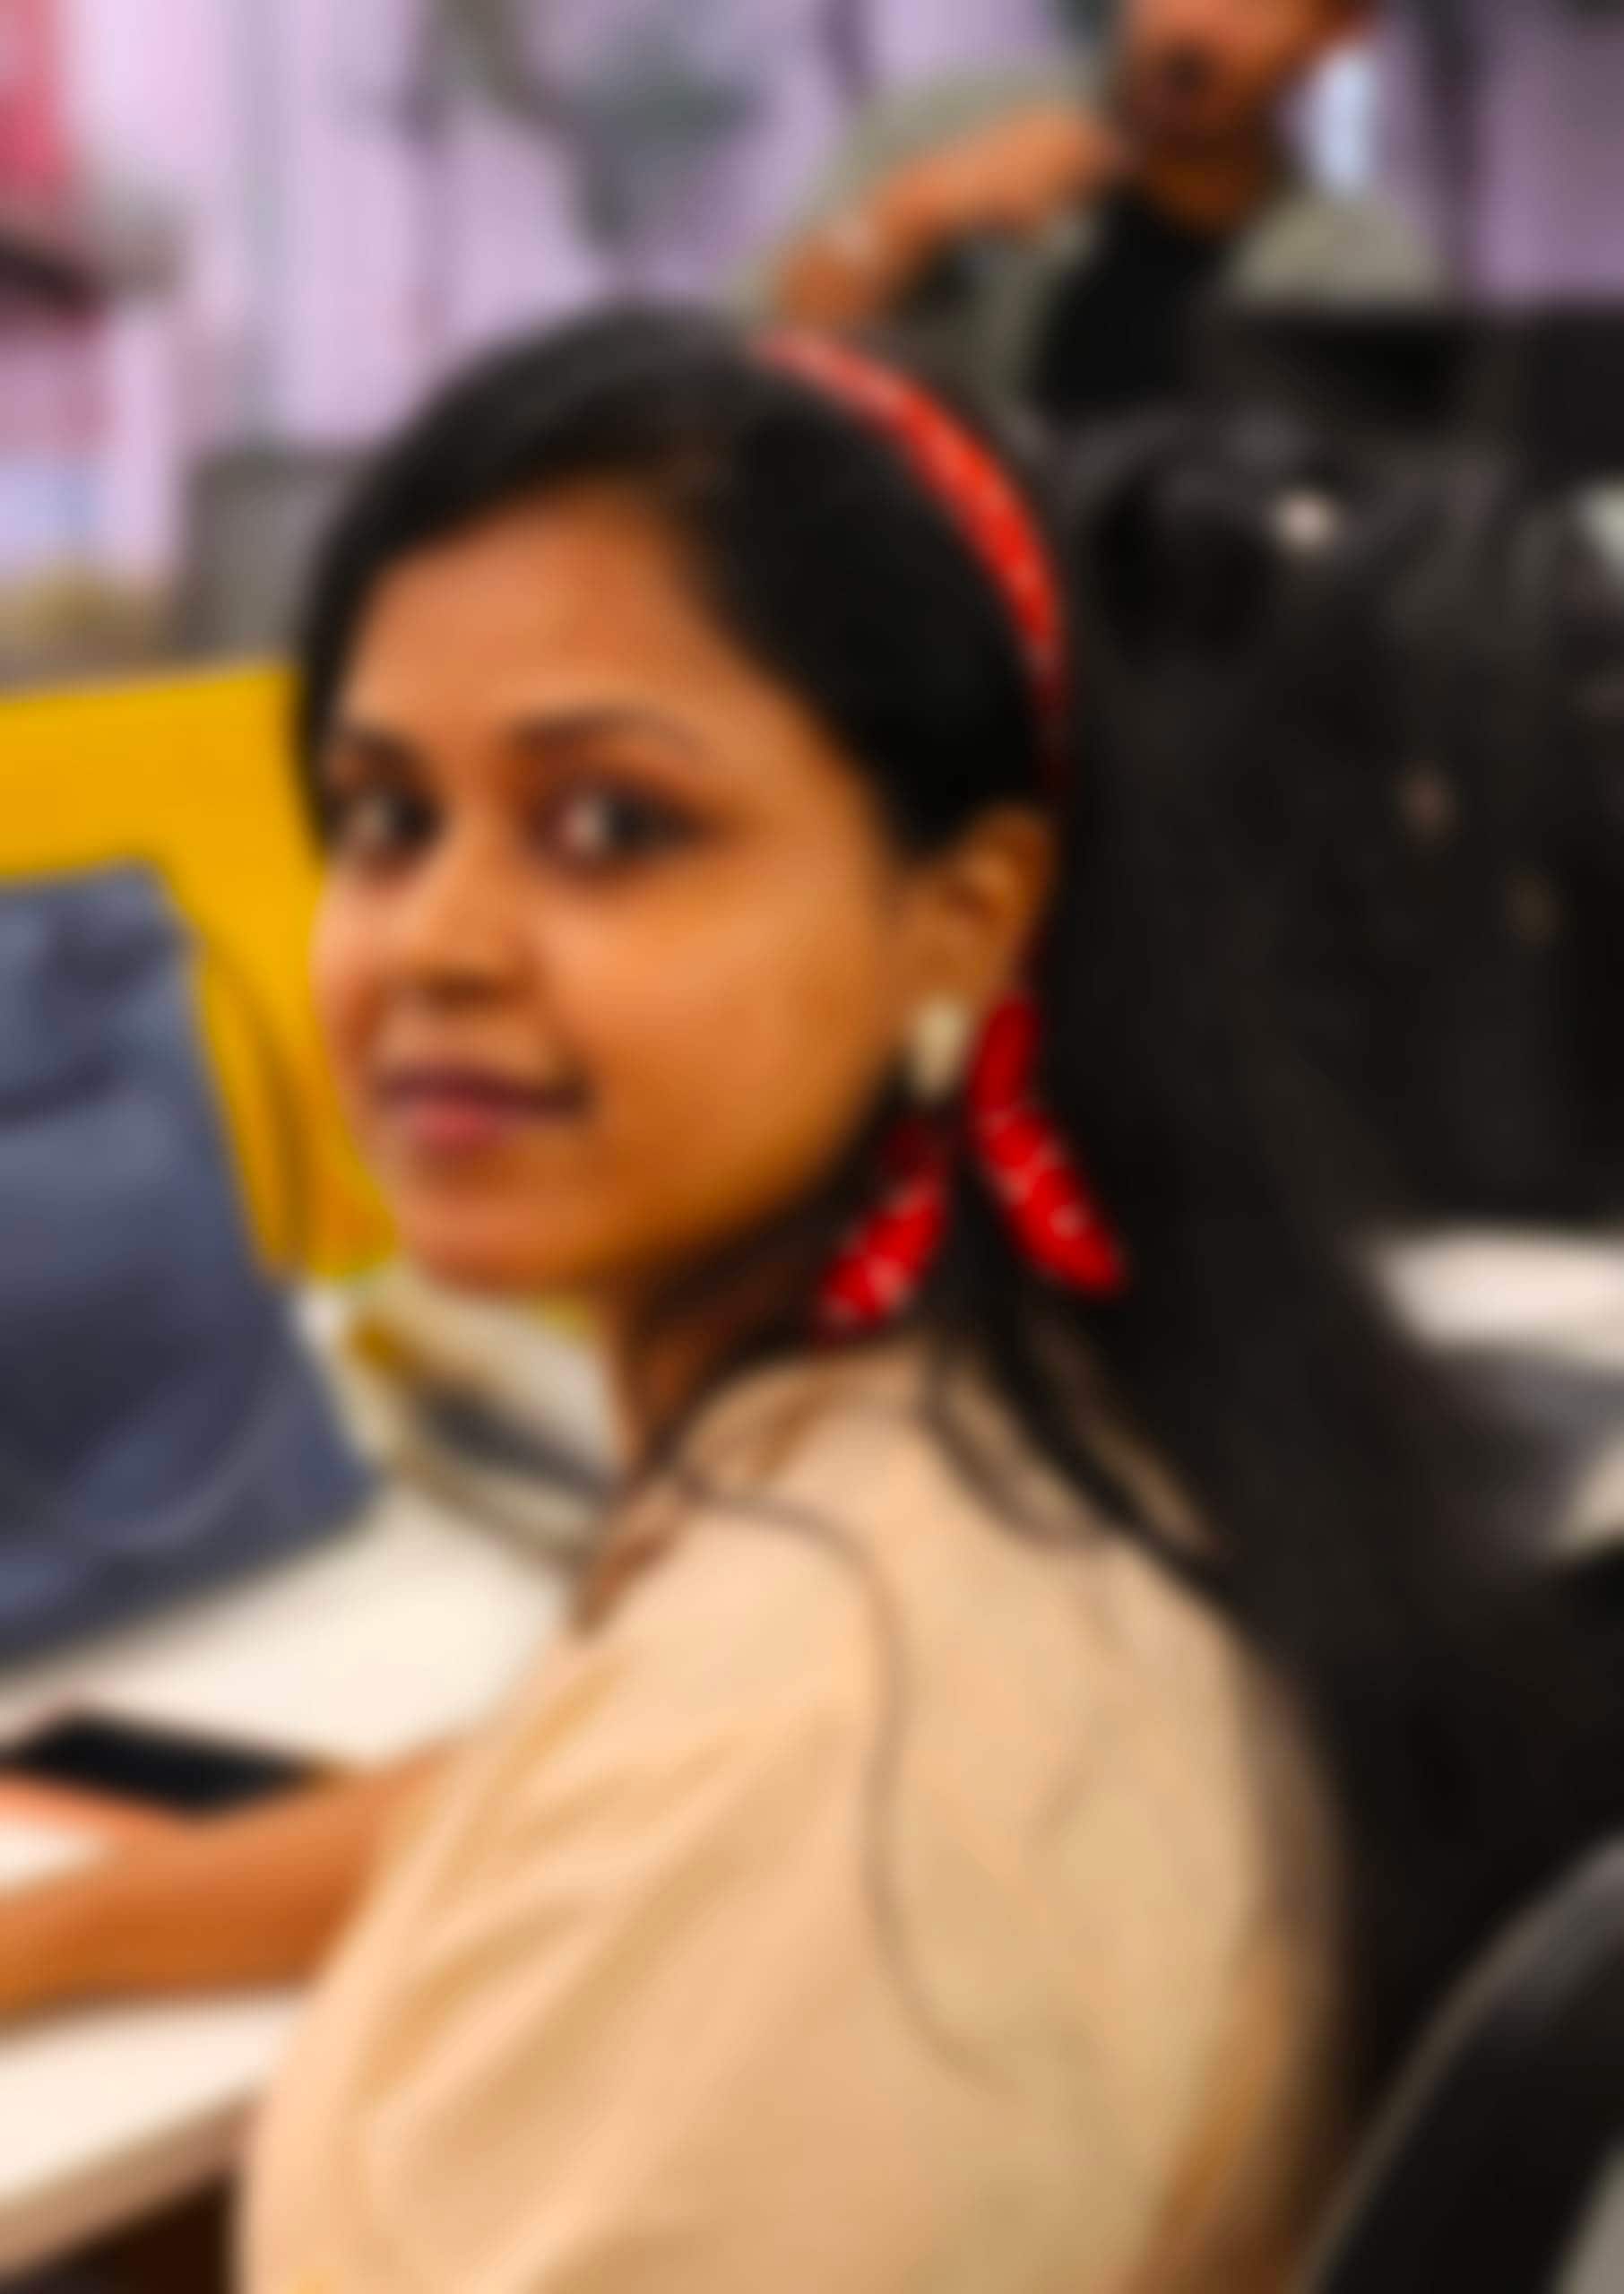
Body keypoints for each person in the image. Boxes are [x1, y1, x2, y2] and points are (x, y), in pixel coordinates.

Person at [0, 311, 1613, 2292]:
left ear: (963, 915)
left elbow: (724, 1803)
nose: (433, 941)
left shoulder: (835, 1735)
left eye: (612, 823)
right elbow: (542, 1804)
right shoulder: (1055, 1415)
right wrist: (58, 1933)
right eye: (389, 815)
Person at [752, 0, 1439, 421]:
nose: (1195, 21)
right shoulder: (950, 126)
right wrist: (919, 210)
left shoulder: (1364, 275)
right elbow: (758, 361)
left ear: (1339, 27)